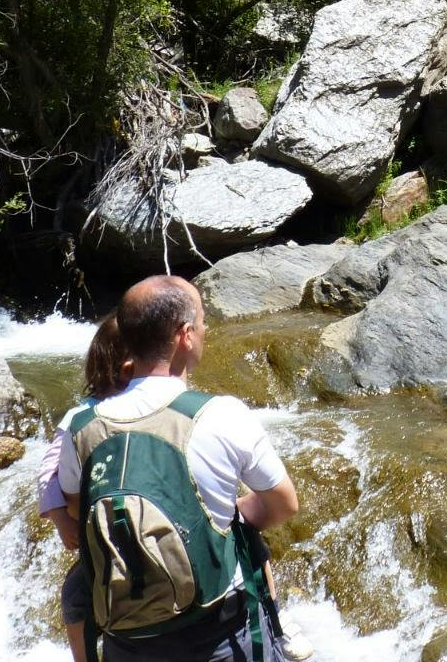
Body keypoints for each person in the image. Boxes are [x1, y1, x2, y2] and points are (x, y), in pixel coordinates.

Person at [56, 276, 305, 662]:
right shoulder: (221, 413)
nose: (205, 330)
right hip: (218, 637)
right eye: (202, 321)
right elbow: (283, 505)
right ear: (185, 335)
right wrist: (232, 512)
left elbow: (75, 508)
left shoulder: (80, 427)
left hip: (128, 641)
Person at [38, 314, 132, 662]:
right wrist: (62, 518)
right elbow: (48, 472)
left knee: (76, 597)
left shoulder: (84, 415)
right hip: (113, 531)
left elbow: (48, 474)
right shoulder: (79, 418)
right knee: (76, 596)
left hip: (110, 533)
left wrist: (64, 517)